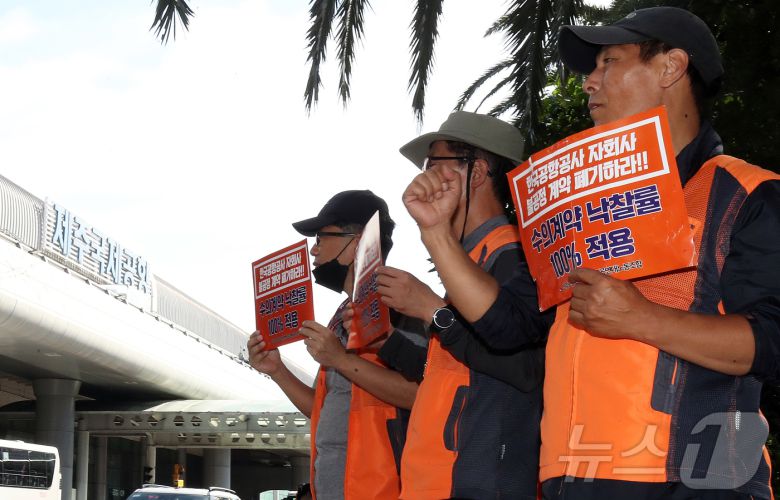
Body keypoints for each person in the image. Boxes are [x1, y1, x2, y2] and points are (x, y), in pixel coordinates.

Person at [403, 7, 780, 500]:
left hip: (698, 483)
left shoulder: (746, 192)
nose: (589, 82)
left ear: (670, 68)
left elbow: (772, 342)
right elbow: (510, 329)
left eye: (609, 62)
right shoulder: (578, 208)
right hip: (573, 478)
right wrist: (436, 235)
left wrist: (642, 318)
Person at [381, 111, 551, 499]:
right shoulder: (470, 259)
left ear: (475, 173)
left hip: (478, 478)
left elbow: (525, 368)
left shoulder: (516, 255)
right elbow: (454, 368)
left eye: (435, 164)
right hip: (442, 479)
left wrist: (433, 311)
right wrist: (388, 341)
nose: (425, 176)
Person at [247, 190, 417, 500]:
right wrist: (277, 371)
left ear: (357, 241)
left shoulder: (401, 302)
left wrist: (340, 359)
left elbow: (421, 395)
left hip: (384, 491)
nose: (314, 250)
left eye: (321, 238)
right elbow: (323, 409)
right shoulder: (342, 315)